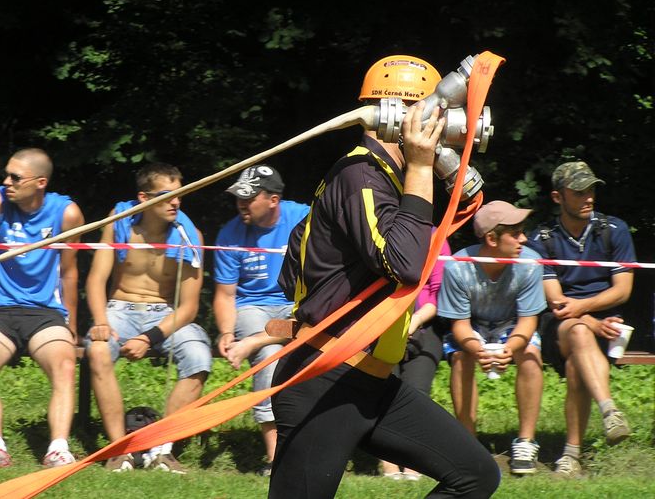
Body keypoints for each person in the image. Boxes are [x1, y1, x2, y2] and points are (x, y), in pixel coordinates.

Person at [269, 55, 500, 499]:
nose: (447, 128)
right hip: (324, 380)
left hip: (372, 384)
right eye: (441, 114)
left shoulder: (385, 179)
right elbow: (406, 265)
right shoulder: (361, 175)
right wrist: (421, 167)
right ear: (406, 114)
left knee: (475, 475)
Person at [0, 148, 85, 468]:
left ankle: (58, 448)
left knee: (65, 365)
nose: (7, 182)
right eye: (6, 174)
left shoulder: (67, 213)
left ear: (40, 182)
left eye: (15, 177)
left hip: (46, 313)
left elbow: (69, 271)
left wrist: (70, 323)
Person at [85, 162, 211, 475]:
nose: (176, 202)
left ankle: (161, 448)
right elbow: (96, 280)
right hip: (118, 308)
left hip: (166, 314)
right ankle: (120, 450)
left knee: (199, 356)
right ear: (143, 198)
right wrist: (100, 321)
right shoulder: (119, 223)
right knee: (98, 350)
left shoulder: (188, 235)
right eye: (167, 195)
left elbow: (189, 308)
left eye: (180, 194)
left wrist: (148, 337)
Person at [527, 161, 636, 478]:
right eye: (578, 192)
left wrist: (586, 312)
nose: (588, 197)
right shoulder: (542, 238)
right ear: (557, 197)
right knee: (576, 331)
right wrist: (590, 320)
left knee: (578, 361)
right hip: (560, 325)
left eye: (591, 190)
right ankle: (609, 410)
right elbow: (556, 302)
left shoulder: (614, 229)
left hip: (607, 324)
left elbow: (623, 291)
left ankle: (571, 455)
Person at [212, 164, 309, 476]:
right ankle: (275, 458)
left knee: (292, 348)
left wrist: (249, 342)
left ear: (273, 200)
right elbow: (225, 295)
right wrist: (226, 331)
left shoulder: (304, 218)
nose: (241, 204)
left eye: (249, 197)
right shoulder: (230, 234)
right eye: (239, 197)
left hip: (297, 305)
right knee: (269, 355)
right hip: (253, 307)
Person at [437, 201, 546, 476]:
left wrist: (510, 348)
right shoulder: (458, 267)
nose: (524, 239)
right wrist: (477, 350)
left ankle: (526, 442)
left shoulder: (530, 264)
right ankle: (468, 445)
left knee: (530, 355)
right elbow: (460, 325)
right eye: (515, 233)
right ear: (491, 239)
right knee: (461, 358)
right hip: (472, 325)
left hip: (512, 325)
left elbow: (528, 321)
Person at [379, 232, 451, 481]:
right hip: (380, 324)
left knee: (416, 393)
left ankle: (413, 462)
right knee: (383, 391)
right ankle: (388, 462)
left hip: (423, 324)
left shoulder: (435, 236)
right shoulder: (379, 233)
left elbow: (438, 293)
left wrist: (415, 321)